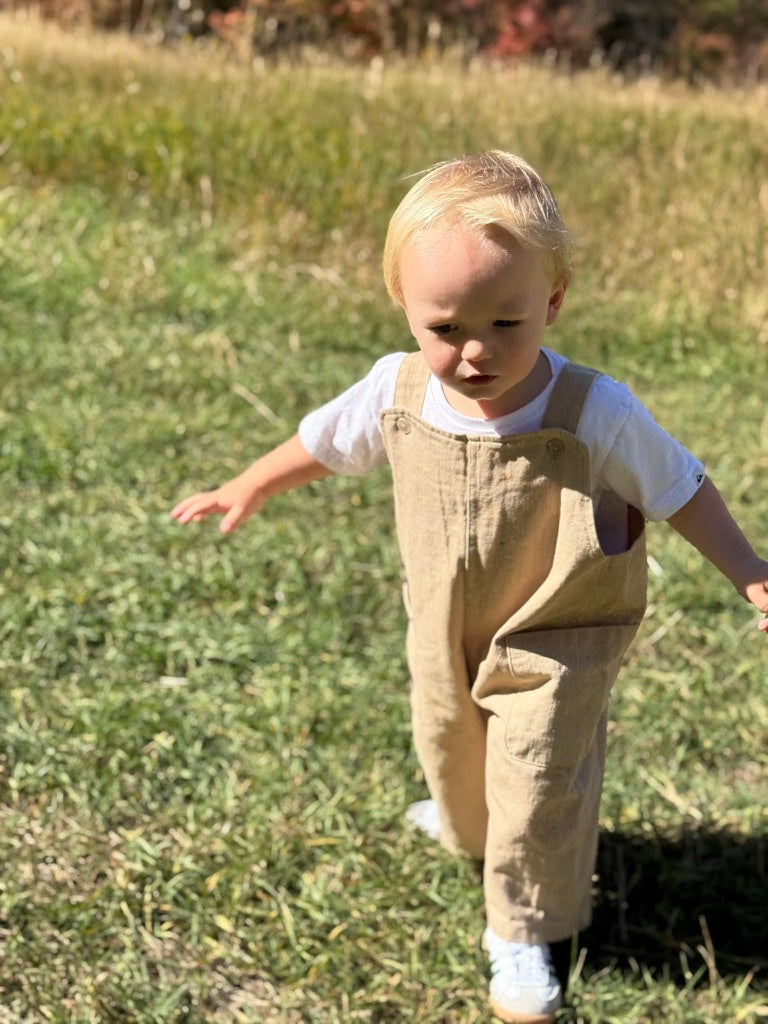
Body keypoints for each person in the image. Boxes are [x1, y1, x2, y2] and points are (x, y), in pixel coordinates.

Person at [171, 150, 768, 1024]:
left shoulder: (594, 411)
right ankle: (465, 830)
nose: (475, 351)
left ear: (552, 304)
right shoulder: (398, 389)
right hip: (444, 620)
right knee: (450, 743)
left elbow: (680, 487)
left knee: (532, 778)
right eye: (445, 327)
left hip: (558, 630)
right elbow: (324, 443)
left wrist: (750, 572)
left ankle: (521, 928)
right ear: (407, 309)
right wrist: (251, 483)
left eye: (507, 323)